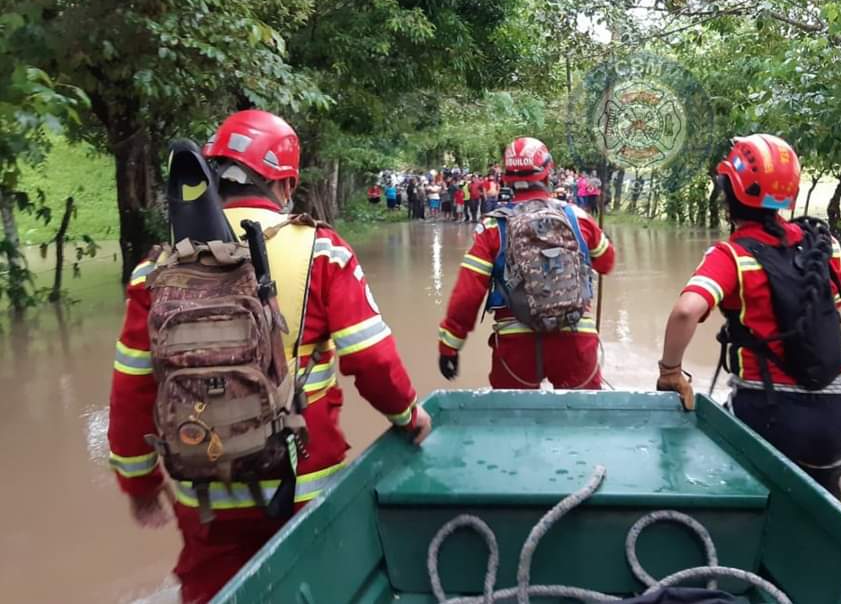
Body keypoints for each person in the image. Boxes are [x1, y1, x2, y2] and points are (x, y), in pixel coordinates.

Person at [107, 110, 432, 603]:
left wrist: (139, 483)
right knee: (318, 589)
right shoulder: (321, 250)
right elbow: (372, 361)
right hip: (303, 481)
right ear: (286, 184)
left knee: (213, 591)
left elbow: (131, 389)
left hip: (205, 488)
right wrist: (409, 415)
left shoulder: (157, 269)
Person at [656, 134, 841, 500]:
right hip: (839, 419)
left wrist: (670, 371)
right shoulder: (823, 246)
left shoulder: (731, 256)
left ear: (728, 194)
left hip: (769, 416)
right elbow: (839, 302)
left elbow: (686, 311)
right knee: (830, 503)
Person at [436, 137, 616, 389]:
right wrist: (604, 239)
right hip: (576, 339)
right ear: (548, 171)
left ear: (506, 177)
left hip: (515, 343)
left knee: (513, 414)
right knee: (581, 413)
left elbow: (468, 294)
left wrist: (450, 345)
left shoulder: (493, 227)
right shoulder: (578, 218)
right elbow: (606, 263)